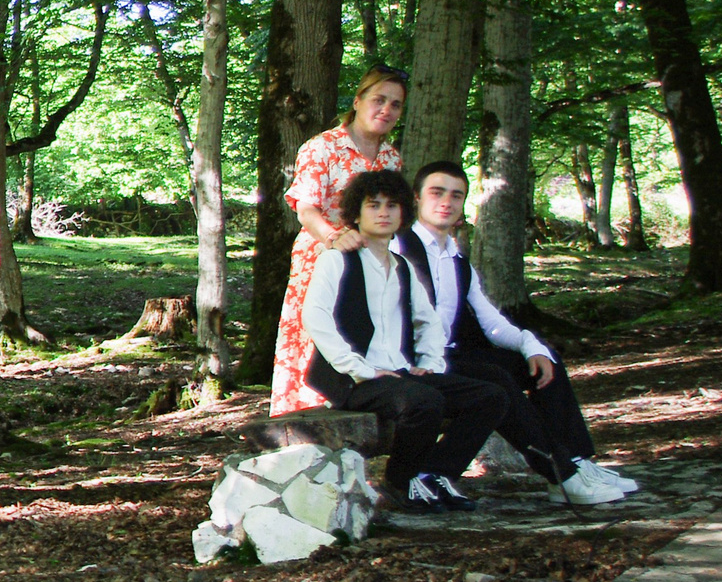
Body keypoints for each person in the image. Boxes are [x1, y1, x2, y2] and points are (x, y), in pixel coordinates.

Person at [401, 161, 638, 506]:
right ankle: (559, 472)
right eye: (436, 193)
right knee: (494, 378)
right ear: (417, 198)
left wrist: (531, 345)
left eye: (456, 195)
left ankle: (576, 462)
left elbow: (490, 321)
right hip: (416, 361)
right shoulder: (397, 249)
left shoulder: (457, 259)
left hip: (453, 354)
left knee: (542, 358)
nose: (446, 202)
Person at [301, 169, 510, 513]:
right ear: (357, 213)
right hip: (353, 379)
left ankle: (433, 476)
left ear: (403, 214)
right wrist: (360, 369)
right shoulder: (336, 260)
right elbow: (316, 319)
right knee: (423, 402)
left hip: (400, 373)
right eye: (374, 205)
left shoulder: (402, 265)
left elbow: (428, 321)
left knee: (490, 396)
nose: (383, 212)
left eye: (392, 205)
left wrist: (429, 364)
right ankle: (399, 484)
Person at [272, 68, 408, 415]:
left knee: (362, 332)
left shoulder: (391, 158)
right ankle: (303, 422)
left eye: (396, 104)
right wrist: (336, 237)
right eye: (379, 100)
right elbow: (306, 209)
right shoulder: (323, 147)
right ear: (358, 101)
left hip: (370, 262)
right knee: (319, 336)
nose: (387, 110)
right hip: (324, 256)